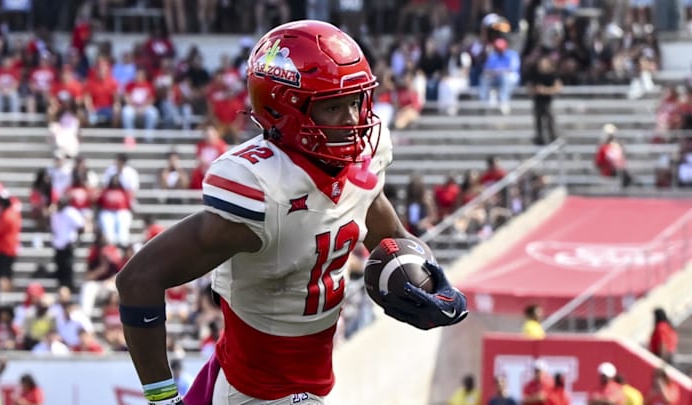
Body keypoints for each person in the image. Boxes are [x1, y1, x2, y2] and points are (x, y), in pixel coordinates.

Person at [116, 20, 468, 405]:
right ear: (282, 110)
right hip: (257, 393)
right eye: (333, 106)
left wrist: (430, 279)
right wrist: (163, 399)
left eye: (355, 100)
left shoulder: (361, 162)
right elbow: (139, 279)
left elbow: (383, 227)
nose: (352, 120)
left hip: (286, 379)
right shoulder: (263, 189)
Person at [528, 53, 562, 146]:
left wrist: (545, 90)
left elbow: (557, 88)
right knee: (538, 120)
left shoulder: (552, 75)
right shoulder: (534, 74)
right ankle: (539, 138)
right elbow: (530, 88)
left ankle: (553, 137)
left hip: (548, 101)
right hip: (537, 101)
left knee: (550, 119)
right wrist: (536, 90)